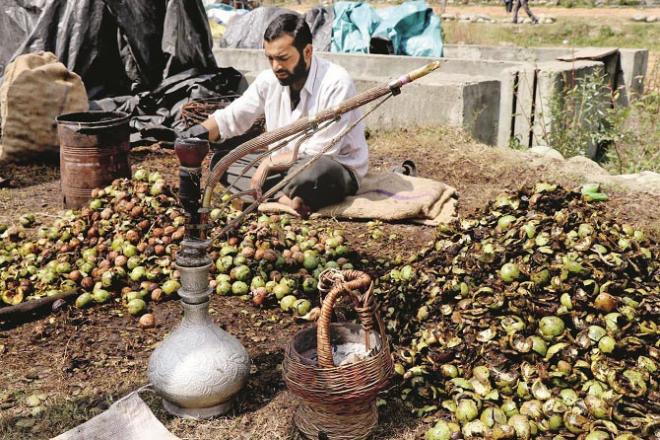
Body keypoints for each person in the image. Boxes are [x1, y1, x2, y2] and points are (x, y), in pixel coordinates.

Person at [188, 13, 368, 216]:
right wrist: (197, 134)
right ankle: (286, 199)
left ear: (307, 52)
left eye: (283, 58)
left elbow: (321, 152)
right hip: (282, 168)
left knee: (313, 173)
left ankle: (270, 193)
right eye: (270, 58)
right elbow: (234, 116)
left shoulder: (336, 83)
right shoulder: (269, 80)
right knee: (221, 163)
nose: (275, 66)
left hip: (330, 167)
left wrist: (267, 164)